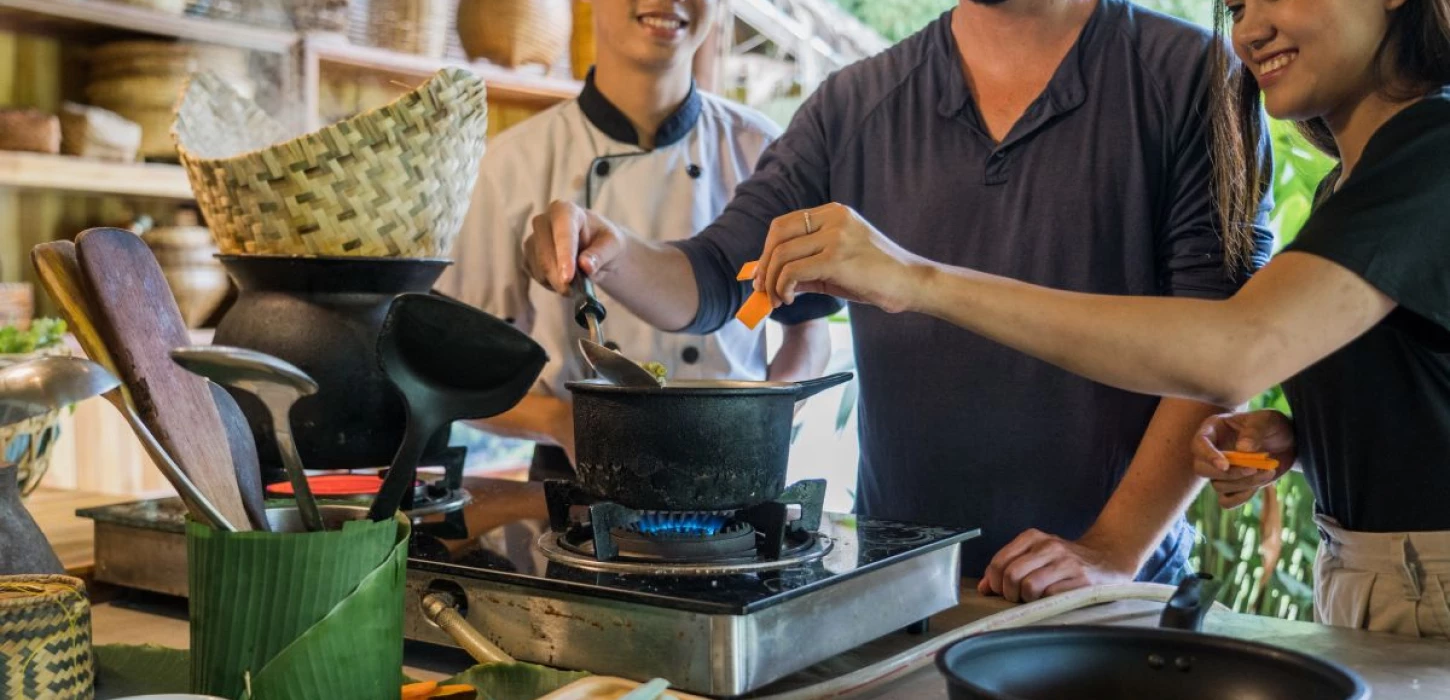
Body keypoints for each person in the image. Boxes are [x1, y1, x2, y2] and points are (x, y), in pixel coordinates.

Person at [754, 0, 1450, 638]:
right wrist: (1296, 442)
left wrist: (917, 279)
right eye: (1236, 6)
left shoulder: (1432, 147)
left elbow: (1237, 349)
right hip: (1376, 581)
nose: (1249, 29)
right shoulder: (1356, 181)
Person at [521, 0, 1275, 584]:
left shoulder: (1192, 78)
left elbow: (1216, 348)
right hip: (908, 581)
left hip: (1116, 594)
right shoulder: (856, 103)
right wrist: (609, 251)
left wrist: (1110, 551)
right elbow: (717, 277)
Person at [438, 0, 834, 480]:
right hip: (578, 478)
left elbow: (808, 328)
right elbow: (455, 374)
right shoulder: (510, 165)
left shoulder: (764, 152)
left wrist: (764, 418)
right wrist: (563, 421)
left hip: (732, 470)